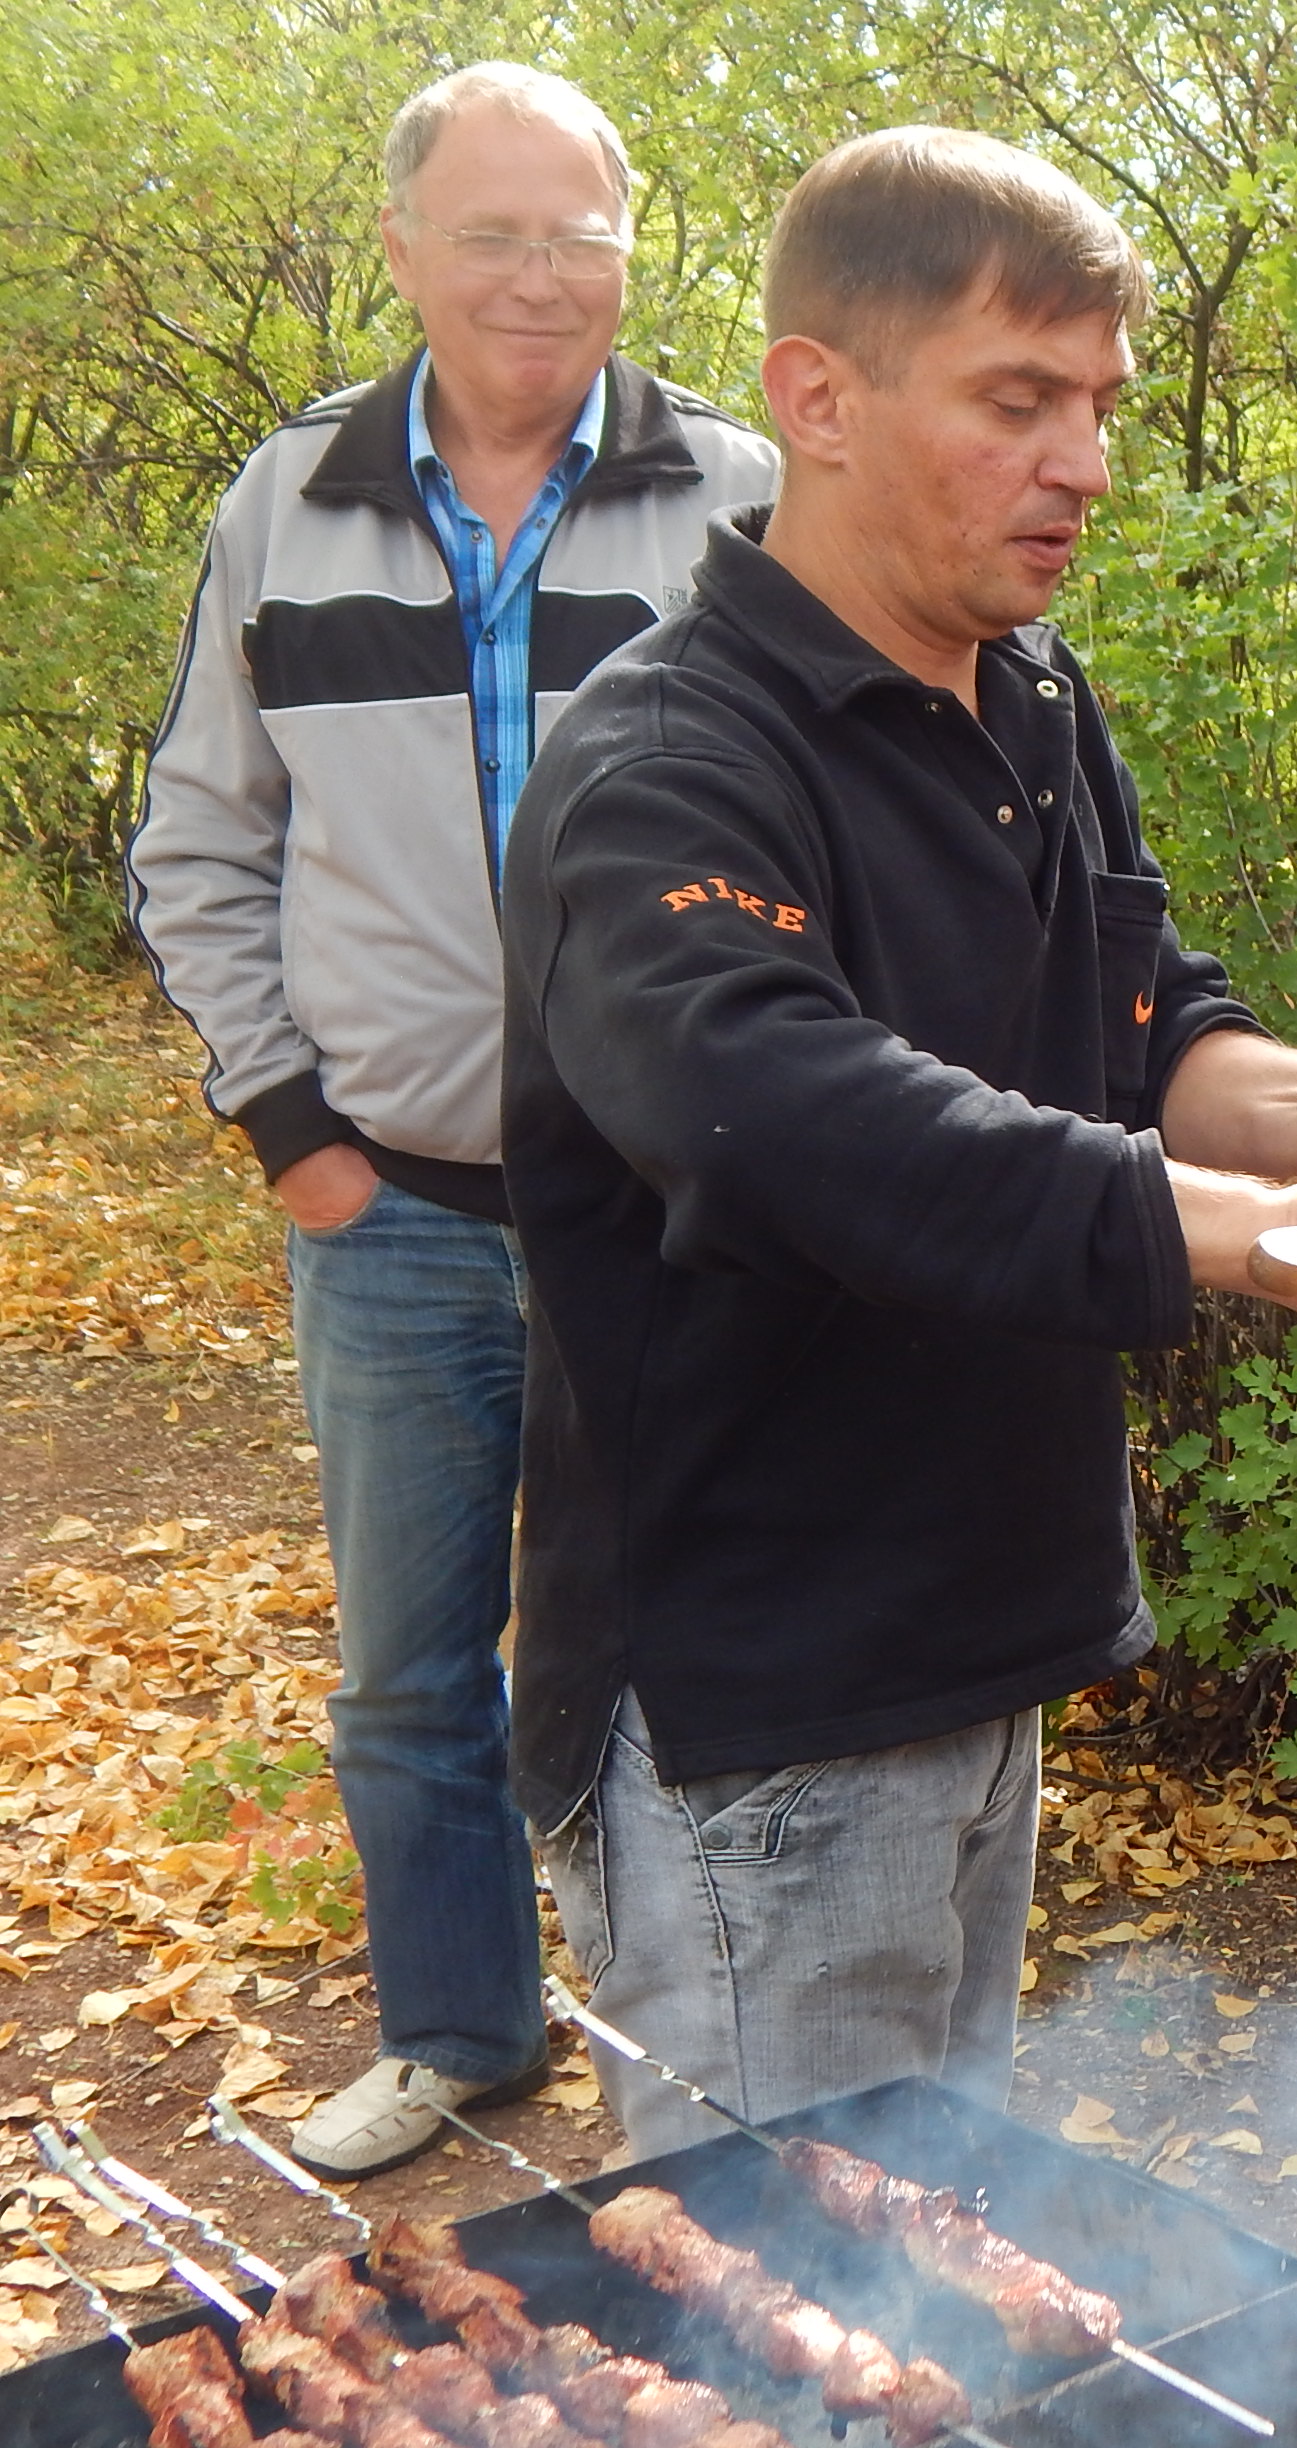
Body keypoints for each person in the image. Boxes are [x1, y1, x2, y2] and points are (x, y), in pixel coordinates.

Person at [497, 127, 1297, 2158]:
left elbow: (1146, 1015)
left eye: (1103, 408)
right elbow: (795, 1127)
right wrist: (1244, 1232)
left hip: (985, 1625)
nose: (1087, 464)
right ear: (820, 400)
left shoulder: (1030, 695)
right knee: (778, 2315)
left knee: (926, 2268)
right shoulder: (669, 759)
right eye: (1017, 401)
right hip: (765, 1696)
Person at [126, 63, 778, 2177]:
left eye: (579, 232)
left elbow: (838, 830)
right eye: (491, 232)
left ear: (630, 247)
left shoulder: (744, 493)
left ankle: (687, 2063)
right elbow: (199, 848)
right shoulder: (286, 499)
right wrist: (292, 1131)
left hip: (681, 1214)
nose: (539, 276)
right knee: (416, 1667)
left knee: (701, 1651)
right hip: (393, 1210)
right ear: (402, 245)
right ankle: (465, 2030)